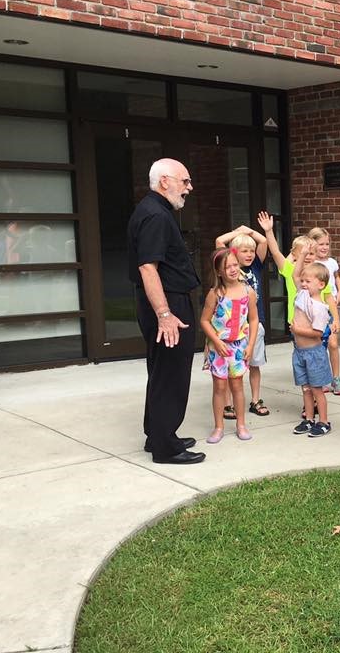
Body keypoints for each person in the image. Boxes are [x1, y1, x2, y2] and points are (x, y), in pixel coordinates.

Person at [127, 158, 204, 464]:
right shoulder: (156, 215)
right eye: (185, 181)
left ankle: (158, 435)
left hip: (165, 300)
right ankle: (166, 448)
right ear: (164, 181)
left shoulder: (153, 210)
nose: (189, 187)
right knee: (171, 374)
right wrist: (165, 314)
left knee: (161, 372)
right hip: (167, 304)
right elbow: (148, 267)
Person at [260, 214, 338, 419]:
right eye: (304, 252)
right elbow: (275, 252)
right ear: (295, 254)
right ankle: (310, 403)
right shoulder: (291, 271)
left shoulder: (319, 274)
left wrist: (336, 319)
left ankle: (317, 400)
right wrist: (269, 231)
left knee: (316, 363)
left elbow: (329, 297)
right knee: (304, 365)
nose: (309, 256)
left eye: (311, 252)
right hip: (297, 326)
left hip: (317, 325)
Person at [200, 248, 258, 443]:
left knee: (237, 385)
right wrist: (216, 341)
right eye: (227, 267)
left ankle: (241, 425)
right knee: (219, 386)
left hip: (239, 347)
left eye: (235, 265)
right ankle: (219, 427)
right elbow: (204, 321)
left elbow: (254, 319)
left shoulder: (248, 291)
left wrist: (250, 345)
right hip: (218, 348)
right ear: (218, 271)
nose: (233, 269)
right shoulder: (215, 294)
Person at [214, 222, 269, 419]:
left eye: (251, 251)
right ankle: (228, 404)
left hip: (254, 323)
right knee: (232, 368)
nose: (250, 254)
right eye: (244, 251)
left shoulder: (256, 266)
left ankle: (255, 400)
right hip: (233, 327)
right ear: (234, 253)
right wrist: (237, 232)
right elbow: (219, 241)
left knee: (254, 364)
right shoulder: (231, 268)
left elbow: (263, 241)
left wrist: (250, 231)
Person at [290, 262, 333, 437]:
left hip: (314, 353)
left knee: (316, 390)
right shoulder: (302, 296)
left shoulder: (320, 308)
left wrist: (297, 330)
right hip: (299, 352)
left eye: (308, 281)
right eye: (303, 281)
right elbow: (294, 275)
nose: (303, 284)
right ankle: (309, 419)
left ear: (321, 284)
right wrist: (301, 255)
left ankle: (323, 421)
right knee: (306, 388)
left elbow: (318, 333)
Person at [308, 227, 340, 395]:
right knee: (319, 345)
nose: (324, 247)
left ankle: (336, 378)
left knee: (333, 343)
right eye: (321, 244)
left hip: (331, 307)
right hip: (316, 308)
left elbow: (336, 277)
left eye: (327, 244)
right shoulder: (311, 264)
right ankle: (322, 378)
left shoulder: (331, 262)